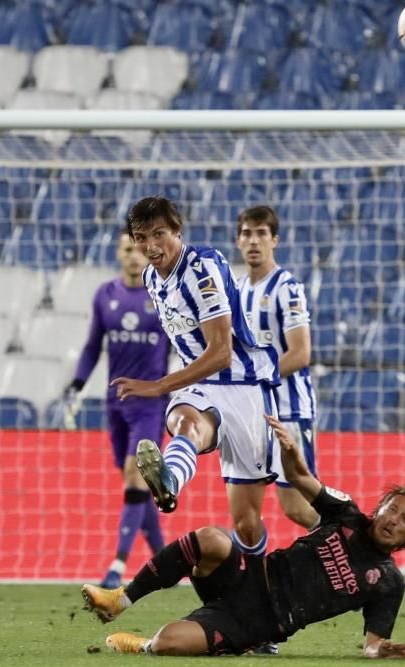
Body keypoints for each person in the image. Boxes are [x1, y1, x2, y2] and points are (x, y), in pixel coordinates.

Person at [81, 413, 405, 659]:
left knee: (166, 642)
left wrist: (377, 650)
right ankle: (120, 600)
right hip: (249, 575)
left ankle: (143, 645)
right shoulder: (346, 513)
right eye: (392, 509)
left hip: (260, 621)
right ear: (379, 507)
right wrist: (291, 453)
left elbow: (371, 644)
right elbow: (302, 479)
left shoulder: (389, 582)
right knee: (212, 538)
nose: (395, 519)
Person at [109, 196, 280, 561]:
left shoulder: (202, 267)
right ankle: (169, 479)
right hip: (201, 386)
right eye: (141, 237)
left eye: (159, 234)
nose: (150, 246)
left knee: (247, 523)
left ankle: (259, 590)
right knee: (184, 420)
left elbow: (220, 352)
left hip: (244, 387)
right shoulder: (153, 278)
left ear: (177, 230)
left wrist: (157, 386)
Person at [68, 231, 170, 589]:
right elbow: (93, 345)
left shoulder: (162, 296)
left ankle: (118, 565)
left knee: (134, 474)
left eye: (139, 249)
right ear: (118, 254)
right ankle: (165, 558)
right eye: (127, 249)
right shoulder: (105, 296)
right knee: (134, 483)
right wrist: (77, 383)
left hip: (151, 403)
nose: (134, 256)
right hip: (116, 403)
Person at [235, 205, 319, 531]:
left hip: (289, 411)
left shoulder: (287, 287)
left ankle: (352, 549)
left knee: (298, 507)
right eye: (247, 233)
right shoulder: (238, 290)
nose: (253, 241)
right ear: (238, 240)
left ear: (275, 240)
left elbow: (300, 353)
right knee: (244, 507)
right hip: (252, 414)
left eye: (261, 234)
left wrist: (253, 380)